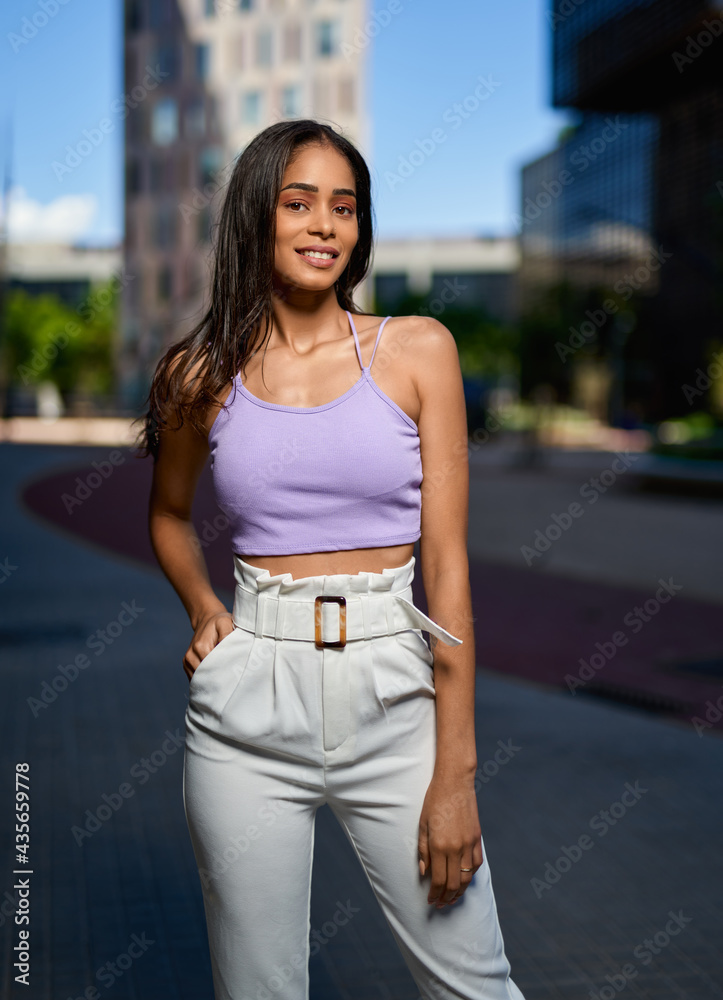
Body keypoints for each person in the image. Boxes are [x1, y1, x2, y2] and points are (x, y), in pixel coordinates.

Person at [138, 119, 525, 1000]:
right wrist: (205, 609)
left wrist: (455, 775)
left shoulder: (418, 349)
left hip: (394, 694)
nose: (324, 225)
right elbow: (167, 516)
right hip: (246, 706)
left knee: (475, 986)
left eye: (343, 207)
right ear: (255, 218)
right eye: (298, 202)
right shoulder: (198, 373)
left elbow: (450, 571)